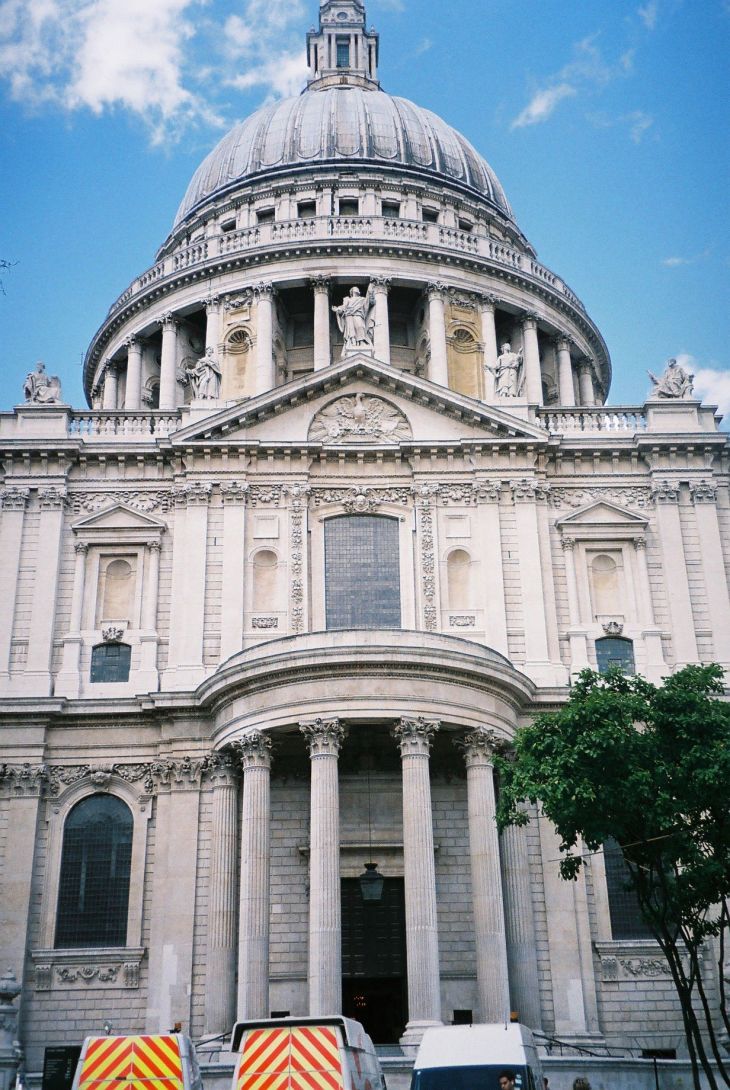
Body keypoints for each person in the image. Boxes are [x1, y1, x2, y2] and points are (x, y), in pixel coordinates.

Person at [332, 284, 376, 357]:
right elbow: (343, 308)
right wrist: (338, 309)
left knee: (360, 327)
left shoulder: (362, 299)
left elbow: (369, 303)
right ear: (352, 292)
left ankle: (361, 342)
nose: (357, 290)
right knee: (351, 331)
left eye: (357, 289)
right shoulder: (347, 299)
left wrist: (370, 293)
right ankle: (353, 342)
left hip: (359, 316)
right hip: (349, 316)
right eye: (355, 289)